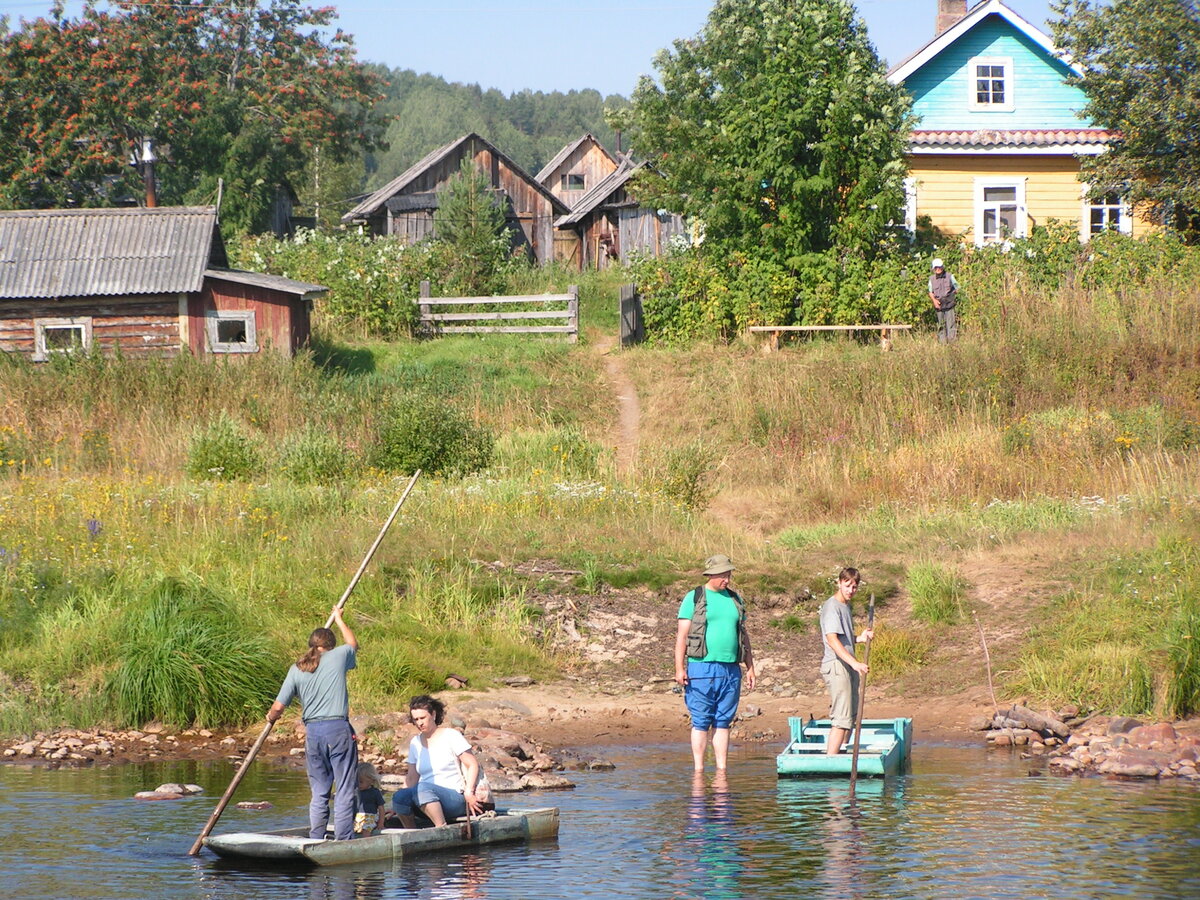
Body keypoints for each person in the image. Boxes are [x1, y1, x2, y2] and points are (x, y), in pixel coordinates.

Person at [267, 606, 359, 840]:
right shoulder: (339, 655)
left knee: (319, 791)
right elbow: (352, 643)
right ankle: (343, 839)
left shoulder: (296, 668)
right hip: (338, 729)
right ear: (330, 644)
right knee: (345, 787)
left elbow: (278, 707)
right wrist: (339, 618)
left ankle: (316, 838)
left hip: (314, 733)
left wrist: (270, 718)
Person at [674, 554, 756, 772]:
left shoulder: (735, 599)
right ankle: (699, 771)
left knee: (723, 720)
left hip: (731, 669)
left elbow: (744, 635)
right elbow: (682, 636)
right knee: (701, 719)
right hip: (701, 666)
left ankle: (721, 772)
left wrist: (750, 667)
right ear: (711, 574)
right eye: (723, 575)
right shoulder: (695, 597)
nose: (727, 579)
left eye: (728, 574)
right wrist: (680, 668)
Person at [390, 695, 485, 827]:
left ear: (433, 715)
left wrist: (470, 792)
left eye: (422, 718)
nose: (419, 723)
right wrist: (397, 804)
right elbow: (412, 778)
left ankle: (441, 828)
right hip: (424, 799)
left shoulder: (451, 735)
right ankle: (411, 834)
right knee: (400, 796)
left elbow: (472, 764)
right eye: (416, 719)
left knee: (423, 787)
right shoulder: (415, 742)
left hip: (455, 798)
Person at [819, 568, 874, 756]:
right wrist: (855, 663)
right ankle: (830, 762)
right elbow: (832, 640)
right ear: (839, 583)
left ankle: (842, 756)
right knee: (841, 718)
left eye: (854, 587)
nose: (851, 590)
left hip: (848, 664)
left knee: (851, 716)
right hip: (836, 665)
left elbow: (845, 639)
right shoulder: (832, 607)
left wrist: (860, 638)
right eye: (848, 585)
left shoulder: (845, 606)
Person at [928, 258, 959, 343]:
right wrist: (934, 301)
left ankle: (952, 343)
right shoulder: (931, 279)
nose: (938, 269)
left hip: (949, 303)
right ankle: (943, 344)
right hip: (939, 304)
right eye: (936, 267)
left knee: (951, 324)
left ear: (942, 267)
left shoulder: (950, 276)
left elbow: (957, 287)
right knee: (941, 325)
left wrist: (951, 296)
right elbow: (930, 292)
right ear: (933, 268)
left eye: (939, 267)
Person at [354, 762, 386, 835]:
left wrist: (381, 823)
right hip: (358, 816)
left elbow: (381, 808)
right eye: (356, 782)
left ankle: (365, 844)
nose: (358, 785)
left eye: (361, 782)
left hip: (370, 816)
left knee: (366, 828)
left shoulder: (375, 792)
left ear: (371, 781)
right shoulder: (356, 792)